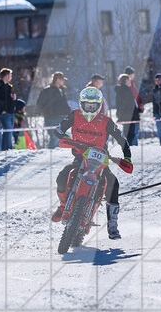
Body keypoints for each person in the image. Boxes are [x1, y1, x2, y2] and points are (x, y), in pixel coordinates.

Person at [50, 87, 133, 240]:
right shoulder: (74, 115)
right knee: (63, 176)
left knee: (112, 183)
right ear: (81, 104)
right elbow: (58, 131)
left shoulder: (106, 121)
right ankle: (63, 207)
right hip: (80, 158)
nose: (90, 108)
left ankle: (112, 224)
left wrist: (127, 157)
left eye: (93, 105)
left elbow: (122, 139)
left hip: (100, 160)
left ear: (99, 105)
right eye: (87, 105)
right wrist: (67, 137)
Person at [35, 71, 70, 149]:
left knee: (59, 139)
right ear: (57, 79)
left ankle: (55, 158)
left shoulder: (61, 90)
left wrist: (69, 111)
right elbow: (40, 102)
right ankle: (49, 155)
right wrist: (41, 112)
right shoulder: (47, 91)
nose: (63, 81)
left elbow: (63, 104)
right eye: (62, 79)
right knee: (54, 138)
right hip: (52, 118)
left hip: (61, 118)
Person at [0, 68, 16, 151]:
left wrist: (14, 100)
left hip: (11, 112)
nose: (11, 77)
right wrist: (1, 110)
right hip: (3, 113)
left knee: (9, 132)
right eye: (10, 75)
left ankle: (8, 148)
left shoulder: (9, 87)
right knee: (7, 132)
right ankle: (6, 149)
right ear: (6, 76)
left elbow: (9, 99)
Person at [114, 73, 140, 146]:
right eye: (129, 80)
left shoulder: (125, 90)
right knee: (130, 135)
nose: (130, 82)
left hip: (128, 116)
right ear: (125, 81)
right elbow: (124, 105)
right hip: (128, 116)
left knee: (129, 134)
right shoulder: (124, 91)